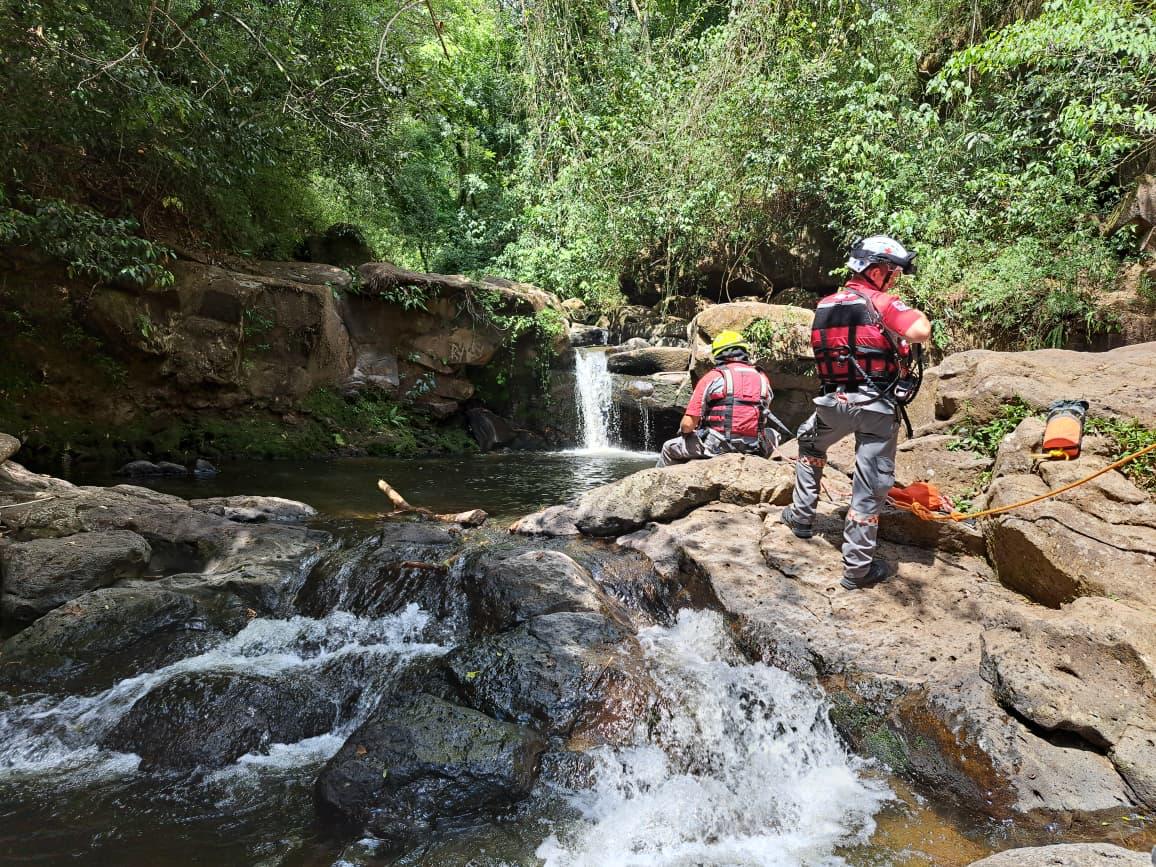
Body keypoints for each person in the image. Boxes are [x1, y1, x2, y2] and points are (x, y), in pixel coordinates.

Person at [780, 235, 932, 590]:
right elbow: (920, 330)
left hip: (834, 404)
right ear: (875, 270)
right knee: (868, 487)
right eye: (891, 271)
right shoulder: (883, 302)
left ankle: (801, 517)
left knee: (809, 444)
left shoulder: (825, 304)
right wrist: (909, 310)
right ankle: (857, 569)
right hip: (876, 409)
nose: (894, 278)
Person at [656, 330, 777, 467]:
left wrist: (686, 432)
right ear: (744, 352)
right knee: (773, 433)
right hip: (755, 446)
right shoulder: (763, 378)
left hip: (717, 445)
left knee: (668, 447)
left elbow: (688, 424)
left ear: (719, 355)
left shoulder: (713, 377)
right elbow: (762, 415)